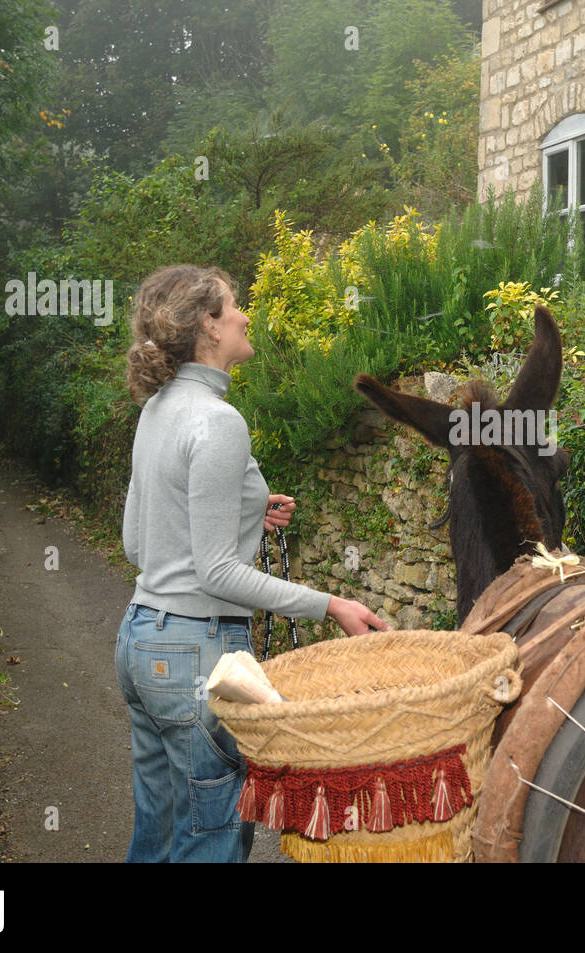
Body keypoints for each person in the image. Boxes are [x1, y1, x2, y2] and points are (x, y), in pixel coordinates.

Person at [116, 264, 389, 863]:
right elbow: (214, 573)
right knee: (210, 842)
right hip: (194, 652)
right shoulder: (219, 421)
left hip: (141, 642)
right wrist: (332, 605)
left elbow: (140, 544)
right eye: (234, 306)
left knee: (157, 840)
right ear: (209, 327)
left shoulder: (157, 410)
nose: (245, 316)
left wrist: (244, 513)